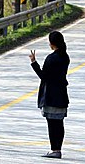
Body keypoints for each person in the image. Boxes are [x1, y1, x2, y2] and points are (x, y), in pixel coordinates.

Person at [29, 31, 70, 159]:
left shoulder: (51, 58)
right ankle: (58, 149)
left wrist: (33, 62)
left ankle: (54, 149)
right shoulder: (65, 57)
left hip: (51, 95)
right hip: (62, 94)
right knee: (59, 123)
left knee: (52, 124)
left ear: (52, 43)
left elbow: (43, 76)